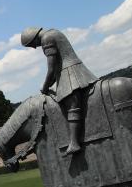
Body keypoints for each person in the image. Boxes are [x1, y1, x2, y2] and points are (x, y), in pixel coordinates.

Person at [21, 27, 98, 155]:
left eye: (32, 45)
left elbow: (51, 68)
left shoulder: (46, 39)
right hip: (69, 70)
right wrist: (51, 82)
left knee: (71, 105)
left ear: (34, 38)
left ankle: (74, 142)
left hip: (70, 72)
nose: (34, 47)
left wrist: (45, 87)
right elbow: (57, 67)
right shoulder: (53, 32)